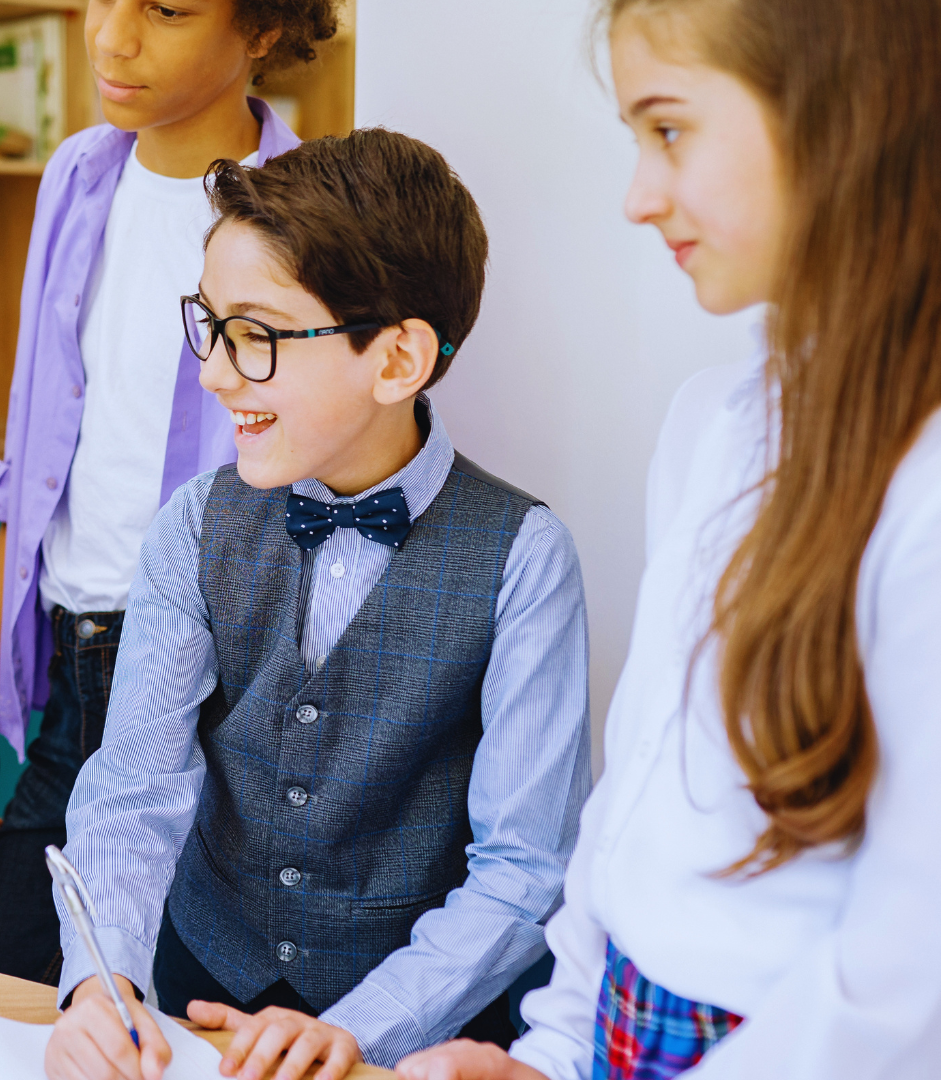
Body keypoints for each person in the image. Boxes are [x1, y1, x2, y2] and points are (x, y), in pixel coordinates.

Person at [396, 1, 941, 1078]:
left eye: (670, 130)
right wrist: (551, 1053)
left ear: (840, 117)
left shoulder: (921, 480)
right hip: (622, 1030)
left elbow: (904, 980)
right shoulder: (712, 423)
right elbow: (633, 802)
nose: (639, 197)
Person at [45, 131, 593, 1080]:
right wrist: (104, 982)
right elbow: (133, 795)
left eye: (255, 336)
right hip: (202, 993)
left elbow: (523, 869)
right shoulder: (192, 526)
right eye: (210, 325)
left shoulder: (525, 557)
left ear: (395, 362)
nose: (214, 372)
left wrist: (364, 1028)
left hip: (421, 1038)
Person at [0, 0, 341, 985]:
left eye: (164, 10)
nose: (112, 38)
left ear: (264, 27)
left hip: (220, 693)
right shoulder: (76, 178)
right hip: (73, 678)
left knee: (169, 1011)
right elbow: (30, 484)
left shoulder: (310, 216)